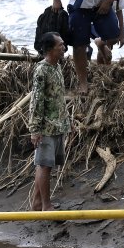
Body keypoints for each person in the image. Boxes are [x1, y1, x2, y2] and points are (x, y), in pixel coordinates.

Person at [28, 32, 70, 211]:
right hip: (45, 127)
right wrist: (35, 129)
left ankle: (38, 203)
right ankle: (46, 206)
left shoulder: (57, 67)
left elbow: (59, 97)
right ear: (51, 49)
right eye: (60, 45)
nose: (63, 47)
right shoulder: (41, 70)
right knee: (44, 166)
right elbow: (36, 101)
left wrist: (67, 120)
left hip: (58, 124)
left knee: (47, 165)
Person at [92, 0, 124, 65]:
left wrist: (122, 35)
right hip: (95, 22)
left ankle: (104, 68)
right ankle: (99, 42)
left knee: (109, 45)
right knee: (106, 48)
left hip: (110, 23)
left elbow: (119, 11)